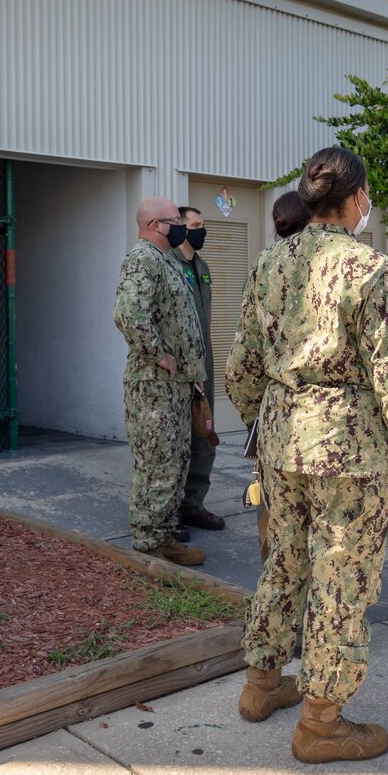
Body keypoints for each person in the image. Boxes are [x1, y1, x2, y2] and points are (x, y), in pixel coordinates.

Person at [227, 147, 388, 763]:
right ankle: (321, 725)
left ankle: (261, 685)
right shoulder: (372, 270)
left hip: (284, 441)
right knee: (342, 579)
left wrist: (265, 422)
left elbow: (242, 366)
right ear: (358, 197)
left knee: (284, 561)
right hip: (350, 453)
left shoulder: (269, 262)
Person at [112, 197, 207, 566]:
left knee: (174, 462)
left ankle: (163, 533)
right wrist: (158, 354)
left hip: (174, 386)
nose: (180, 226)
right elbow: (128, 314)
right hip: (154, 386)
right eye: (173, 221)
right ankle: (150, 542)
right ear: (155, 225)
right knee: (158, 463)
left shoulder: (166, 261)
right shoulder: (143, 260)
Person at [169, 206, 225, 537]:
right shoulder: (169, 266)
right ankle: (170, 510)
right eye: (195, 225)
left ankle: (193, 504)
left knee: (204, 435)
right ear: (179, 228)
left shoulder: (201, 267)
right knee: (176, 442)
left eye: (203, 225)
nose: (201, 230)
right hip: (178, 370)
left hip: (205, 366)